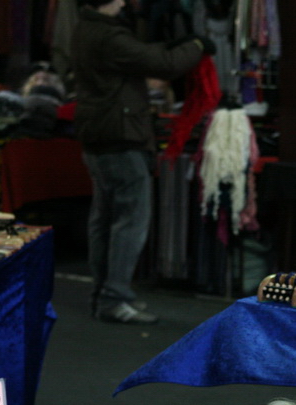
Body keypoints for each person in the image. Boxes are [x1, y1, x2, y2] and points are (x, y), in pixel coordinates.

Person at [72, 0, 210, 324]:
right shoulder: (109, 36)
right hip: (120, 135)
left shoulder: (86, 29)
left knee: (105, 218)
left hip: (99, 133)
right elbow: (162, 64)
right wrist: (196, 46)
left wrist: (176, 47)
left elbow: (145, 56)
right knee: (130, 220)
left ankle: (105, 294)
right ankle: (114, 297)